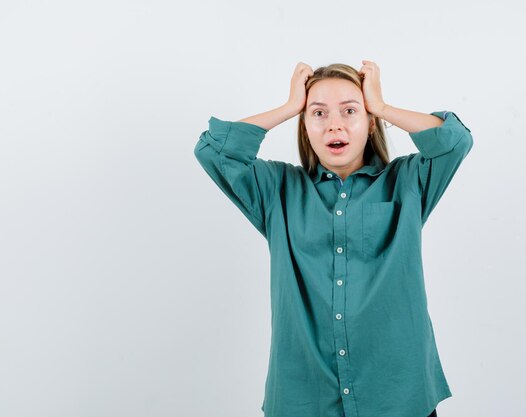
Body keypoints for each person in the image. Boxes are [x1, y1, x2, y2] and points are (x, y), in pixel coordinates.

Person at [193, 60, 473, 417]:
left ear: (370, 123)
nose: (334, 124)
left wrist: (382, 106)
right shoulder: (277, 190)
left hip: (397, 397)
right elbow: (212, 150)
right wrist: (288, 107)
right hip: (304, 399)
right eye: (319, 113)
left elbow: (455, 141)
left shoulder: (408, 182)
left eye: (350, 110)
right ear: (305, 126)